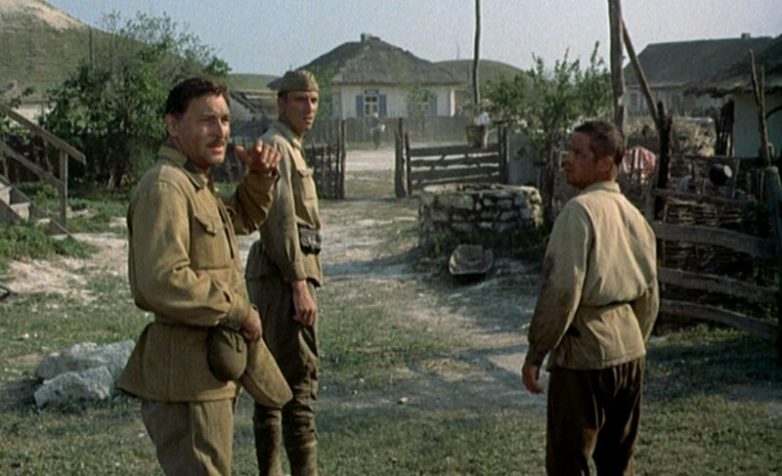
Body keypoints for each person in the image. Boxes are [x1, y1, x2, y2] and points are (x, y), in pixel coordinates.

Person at [118, 77, 283, 475]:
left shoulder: (196, 184)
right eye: (207, 120)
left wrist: (259, 177)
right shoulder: (166, 187)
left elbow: (239, 218)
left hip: (205, 373)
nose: (221, 131)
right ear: (172, 125)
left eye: (225, 120)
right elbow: (163, 279)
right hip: (185, 380)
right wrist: (238, 311)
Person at [521, 120, 659, 475]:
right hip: (630, 353)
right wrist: (631, 342)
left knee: (569, 464)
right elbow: (649, 297)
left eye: (578, 153)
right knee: (618, 465)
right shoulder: (635, 217)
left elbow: (562, 291)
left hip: (584, 359)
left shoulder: (579, 211)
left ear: (605, 164)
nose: (566, 160)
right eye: (568, 151)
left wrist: (536, 352)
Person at [245, 69, 323, 476]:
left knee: (274, 383)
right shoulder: (277, 145)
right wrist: (298, 284)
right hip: (283, 276)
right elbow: (280, 222)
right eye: (299, 100)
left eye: (314, 100)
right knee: (297, 384)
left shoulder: (290, 146)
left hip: (283, 273)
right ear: (281, 103)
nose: (309, 108)